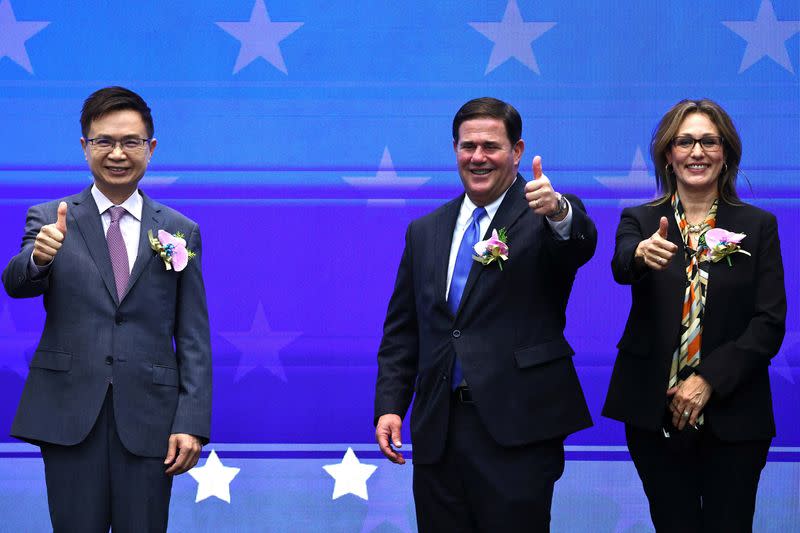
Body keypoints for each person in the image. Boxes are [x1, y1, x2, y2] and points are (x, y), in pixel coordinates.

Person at [373, 97, 596, 532]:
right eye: (467, 145)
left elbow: (578, 243)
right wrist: (390, 405)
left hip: (519, 427)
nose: (478, 157)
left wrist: (559, 212)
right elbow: (404, 329)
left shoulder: (544, 214)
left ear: (516, 152)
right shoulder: (425, 230)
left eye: (491, 146)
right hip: (439, 430)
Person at [2, 86, 212, 532]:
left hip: (152, 421)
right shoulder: (49, 217)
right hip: (68, 414)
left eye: (130, 142)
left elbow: (193, 336)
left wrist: (192, 422)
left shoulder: (179, 230)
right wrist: (39, 257)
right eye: (104, 142)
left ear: (150, 149)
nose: (117, 153)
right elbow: (16, 283)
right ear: (85, 148)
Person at [602, 98, 786, 532]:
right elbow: (621, 264)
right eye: (685, 142)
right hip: (653, 415)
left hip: (736, 414)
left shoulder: (759, 226)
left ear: (726, 154)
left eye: (708, 141)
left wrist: (707, 381)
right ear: (669, 154)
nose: (696, 152)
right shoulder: (642, 220)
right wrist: (641, 254)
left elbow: (769, 322)